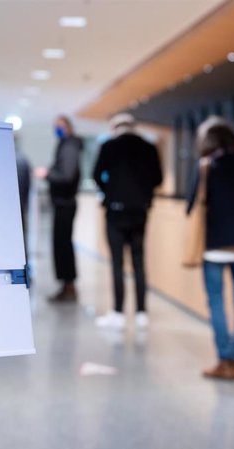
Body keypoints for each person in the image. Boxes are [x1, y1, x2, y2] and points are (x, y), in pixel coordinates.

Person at [187, 117, 234, 380]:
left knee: (216, 302)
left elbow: (192, 205)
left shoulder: (208, 168)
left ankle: (224, 358)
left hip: (216, 245)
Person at [92, 113, 162, 329]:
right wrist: (144, 196)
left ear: (115, 127)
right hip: (139, 211)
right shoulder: (148, 147)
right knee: (139, 262)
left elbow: (96, 174)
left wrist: (110, 193)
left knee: (117, 263)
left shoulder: (109, 146)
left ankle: (118, 313)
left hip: (115, 211)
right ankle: (142, 313)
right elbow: (158, 178)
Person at [36, 115, 83, 302]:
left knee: (62, 245)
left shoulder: (69, 147)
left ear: (68, 127)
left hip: (65, 203)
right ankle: (66, 284)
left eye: (60, 126)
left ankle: (68, 284)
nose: (57, 129)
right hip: (62, 203)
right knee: (61, 244)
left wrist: (47, 174)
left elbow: (67, 176)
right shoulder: (65, 146)